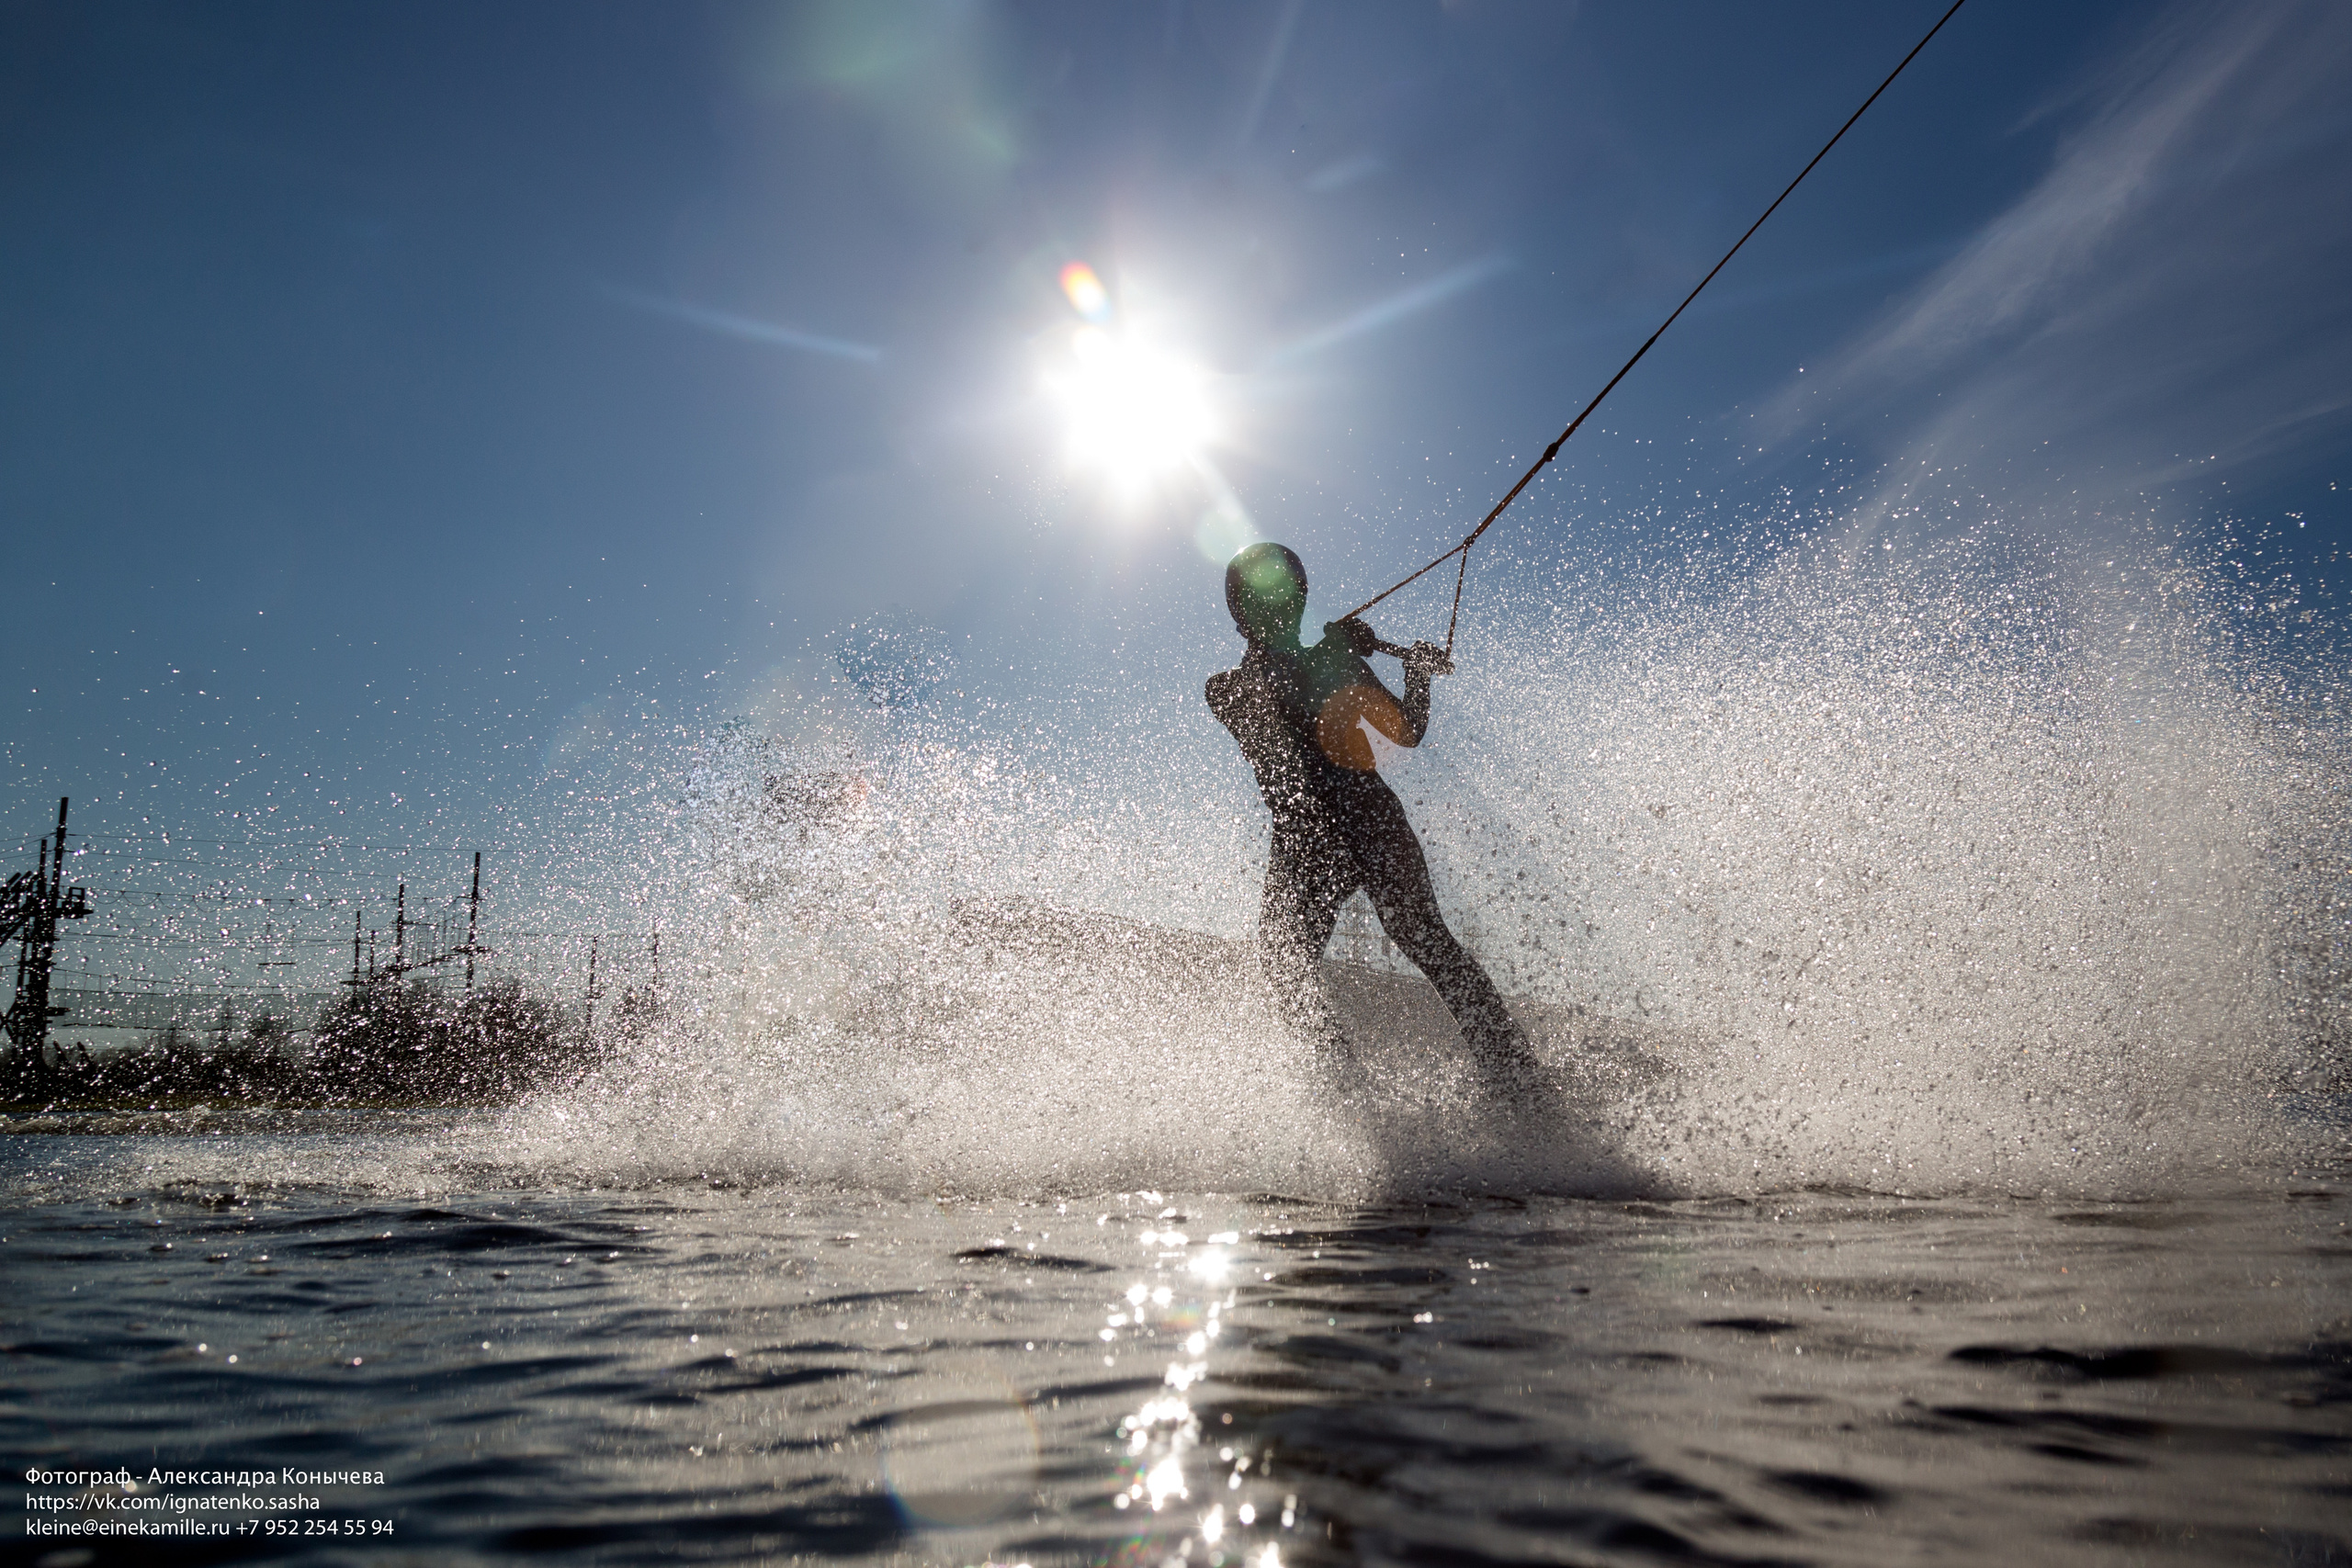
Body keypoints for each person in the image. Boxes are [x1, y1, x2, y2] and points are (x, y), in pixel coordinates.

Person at [1206, 542, 1533, 1082]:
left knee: (1421, 943)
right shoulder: (1229, 688)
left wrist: (1416, 676)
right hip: (1320, 832)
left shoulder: (1333, 660)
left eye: (1282, 604)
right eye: (1269, 607)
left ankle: (1514, 1072)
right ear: (1247, 616)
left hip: (1348, 823)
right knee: (1291, 963)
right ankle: (1347, 1085)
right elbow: (1259, 708)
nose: (1278, 615)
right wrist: (1327, 655)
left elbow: (1404, 733)